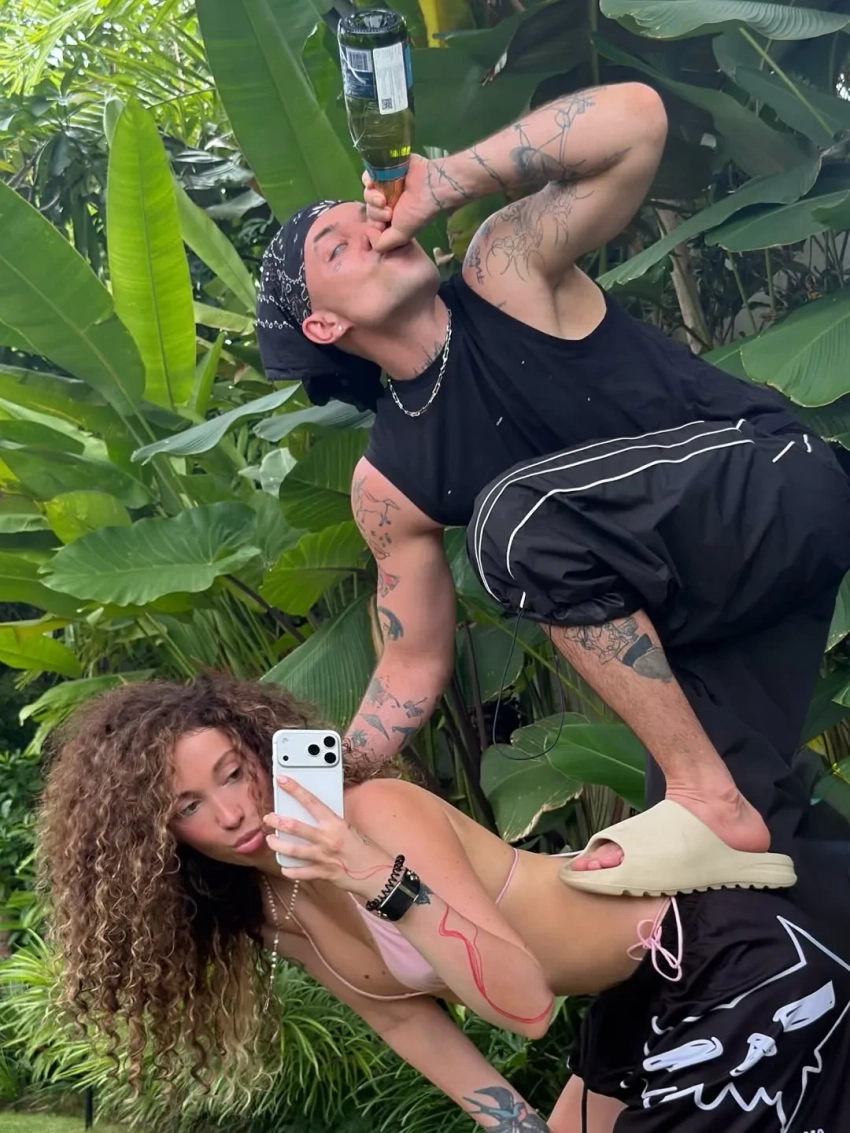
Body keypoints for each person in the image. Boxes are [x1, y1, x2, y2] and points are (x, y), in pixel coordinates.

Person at [256, 80, 850, 899]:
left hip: (779, 484)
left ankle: (703, 798)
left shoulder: (504, 269)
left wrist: (445, 180)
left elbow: (636, 121)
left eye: (366, 217)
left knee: (510, 521)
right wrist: (324, 789)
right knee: (726, 889)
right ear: (323, 325)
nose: (374, 228)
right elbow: (412, 661)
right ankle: (732, 828)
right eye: (338, 248)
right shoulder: (388, 486)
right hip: (706, 616)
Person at [39, 674, 850, 1132]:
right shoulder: (267, 905)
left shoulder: (379, 815)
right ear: (161, 834)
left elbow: (527, 1005)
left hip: (728, 959)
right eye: (187, 806)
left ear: (260, 751)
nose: (231, 812)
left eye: (232, 772)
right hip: (633, 998)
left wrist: (374, 877)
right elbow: (402, 1019)